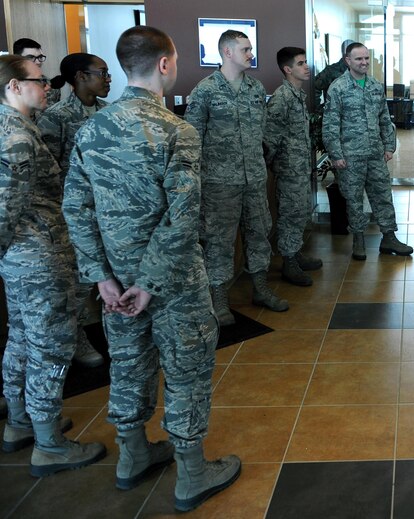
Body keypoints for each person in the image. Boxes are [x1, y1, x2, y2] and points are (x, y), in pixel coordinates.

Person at [62, 26, 240, 511]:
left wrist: (103, 277)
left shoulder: (90, 129)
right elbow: (182, 217)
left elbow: (75, 209)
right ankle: (192, 475)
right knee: (186, 370)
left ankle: (133, 457)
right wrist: (149, 283)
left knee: (129, 364)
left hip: (115, 286)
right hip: (173, 282)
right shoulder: (176, 131)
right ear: (165, 64)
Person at [0, 54, 106, 475]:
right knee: (50, 345)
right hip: (39, 256)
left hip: (24, 256)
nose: (47, 87)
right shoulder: (17, 137)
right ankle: (49, 444)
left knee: (23, 338)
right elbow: (8, 207)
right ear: (13, 87)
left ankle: (21, 423)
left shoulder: (15, 127)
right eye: (39, 81)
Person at [185, 30, 288, 326]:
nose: (250, 53)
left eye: (250, 48)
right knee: (219, 241)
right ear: (227, 52)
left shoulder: (256, 89)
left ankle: (260, 288)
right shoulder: (205, 90)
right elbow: (192, 139)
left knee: (259, 233)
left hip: (254, 179)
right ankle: (218, 298)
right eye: (245, 49)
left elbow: (263, 133)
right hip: (219, 183)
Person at [37, 52, 112, 368]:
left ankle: (117, 334)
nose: (108, 79)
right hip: (75, 214)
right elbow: (47, 171)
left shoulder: (109, 114)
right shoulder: (55, 117)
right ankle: (79, 338)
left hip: (109, 211)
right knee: (79, 283)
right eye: (102, 73)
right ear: (81, 76)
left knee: (114, 277)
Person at [322, 42, 413, 260]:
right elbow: (330, 124)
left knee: (383, 195)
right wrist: (336, 155)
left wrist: (389, 146)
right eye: (358, 59)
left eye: (366, 59)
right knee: (354, 199)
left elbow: (384, 118)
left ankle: (389, 237)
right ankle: (359, 240)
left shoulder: (374, 86)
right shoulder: (338, 88)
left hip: (375, 153)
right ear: (348, 61)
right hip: (350, 156)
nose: (363, 63)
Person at [265, 47, 322, 287]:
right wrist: (275, 166)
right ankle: (289, 262)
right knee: (290, 213)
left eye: (306, 62)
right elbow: (269, 137)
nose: (306, 67)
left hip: (299, 168)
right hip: (289, 169)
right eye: (300, 63)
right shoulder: (282, 97)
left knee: (299, 211)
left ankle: (295, 252)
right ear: (288, 69)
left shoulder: (298, 95)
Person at [13, 38, 61, 116]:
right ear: (17, 59)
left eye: (40, 57)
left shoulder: (50, 84)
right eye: (30, 57)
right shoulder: (8, 85)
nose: (38, 62)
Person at [313, 38, 354, 112]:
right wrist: (319, 109)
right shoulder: (331, 71)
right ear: (343, 53)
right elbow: (314, 87)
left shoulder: (358, 70)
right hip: (334, 117)